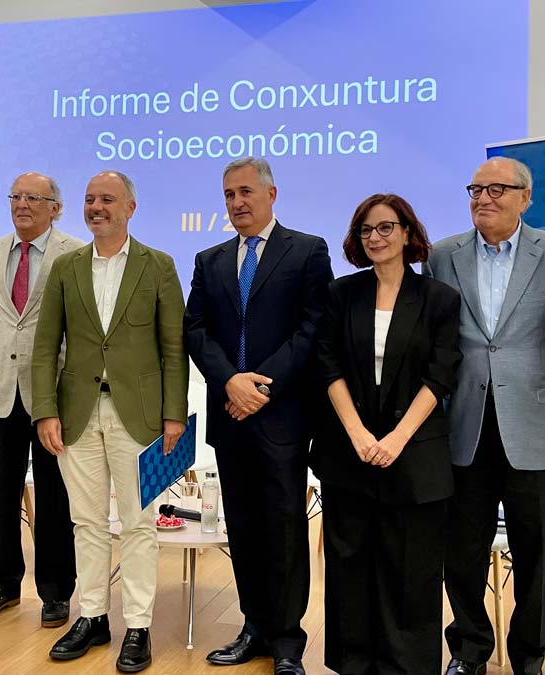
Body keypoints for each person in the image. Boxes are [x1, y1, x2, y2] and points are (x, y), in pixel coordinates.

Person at [424, 158, 545, 675]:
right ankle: (469, 650)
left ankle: (529, 657)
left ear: (525, 197)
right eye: (475, 189)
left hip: (535, 423)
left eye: (497, 189)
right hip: (464, 424)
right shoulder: (443, 255)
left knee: (535, 552)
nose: (483, 198)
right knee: (462, 550)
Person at [32, 170, 188, 673]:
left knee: (140, 524)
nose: (96, 207)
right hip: (75, 413)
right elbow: (44, 347)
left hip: (140, 417)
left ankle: (138, 624)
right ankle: (93, 616)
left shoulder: (158, 266)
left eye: (107, 199)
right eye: (89, 199)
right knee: (86, 521)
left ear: (130, 208)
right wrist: (45, 410)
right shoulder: (64, 267)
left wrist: (173, 415)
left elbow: (173, 348)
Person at [184, 157, 333, 675]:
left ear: (272, 194)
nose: (237, 203)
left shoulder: (308, 250)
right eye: (228, 195)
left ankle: (288, 640)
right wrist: (230, 381)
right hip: (230, 413)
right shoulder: (210, 259)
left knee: (286, 527)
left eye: (245, 192)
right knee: (243, 527)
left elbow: (314, 327)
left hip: (283, 415)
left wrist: (259, 385)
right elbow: (196, 329)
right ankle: (254, 626)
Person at [312, 193, 460, 674]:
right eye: (366, 231)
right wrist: (356, 432)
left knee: (410, 571)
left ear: (407, 232)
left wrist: (396, 438)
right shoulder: (341, 293)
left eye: (385, 228)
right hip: (348, 451)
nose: (376, 238)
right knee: (350, 563)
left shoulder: (439, 298)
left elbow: (441, 375)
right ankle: (353, 663)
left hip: (414, 453)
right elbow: (327, 364)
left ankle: (406, 666)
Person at [0, 171, 81, 625]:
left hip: (52, 395)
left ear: (56, 207)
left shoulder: (74, 253)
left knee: (54, 496)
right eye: (16, 196)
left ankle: (55, 591)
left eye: (34, 198)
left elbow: (79, 325)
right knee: (5, 489)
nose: (22, 205)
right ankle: (3, 583)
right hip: (1, 391)